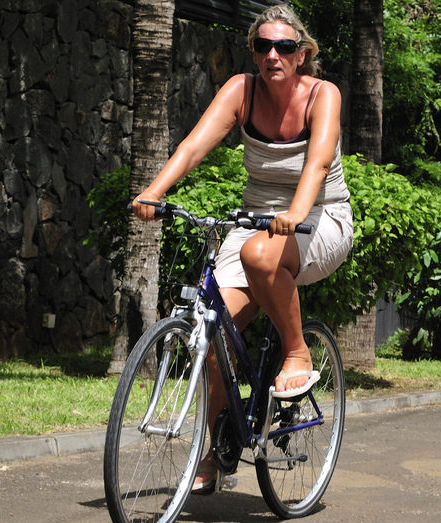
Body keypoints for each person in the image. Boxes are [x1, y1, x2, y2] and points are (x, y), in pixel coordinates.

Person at [131, 4, 353, 492]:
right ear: (254, 51)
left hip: (319, 216)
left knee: (258, 256)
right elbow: (193, 146)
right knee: (210, 338)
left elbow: (316, 165)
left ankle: (297, 353)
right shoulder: (241, 90)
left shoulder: (323, 95)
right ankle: (216, 450)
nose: (273, 55)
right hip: (256, 220)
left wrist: (294, 214)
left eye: (285, 47)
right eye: (263, 46)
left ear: (302, 54)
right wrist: (154, 191)